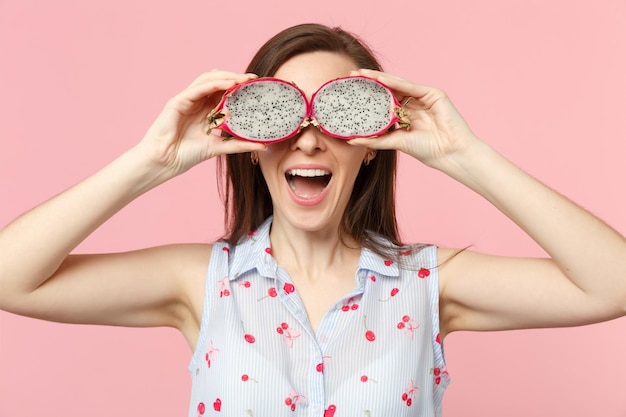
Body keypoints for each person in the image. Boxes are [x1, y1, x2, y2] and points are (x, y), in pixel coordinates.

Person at [1, 22, 625, 417]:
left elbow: (614, 283)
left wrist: (466, 155)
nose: (307, 141)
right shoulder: (203, 283)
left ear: (372, 141)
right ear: (249, 137)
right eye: (281, 115)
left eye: (336, 115)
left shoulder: (427, 284)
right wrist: (151, 161)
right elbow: (10, 277)